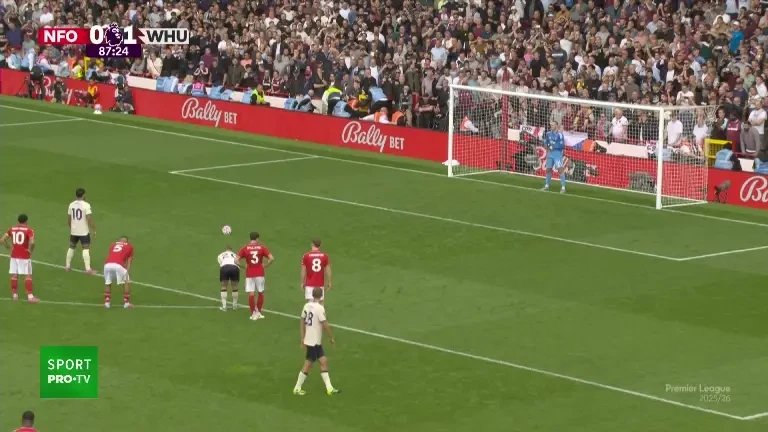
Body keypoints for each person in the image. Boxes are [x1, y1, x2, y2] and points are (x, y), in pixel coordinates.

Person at [293, 287, 339, 396]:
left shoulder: (306, 306)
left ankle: (329, 388)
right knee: (308, 365)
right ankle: (297, 388)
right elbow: (324, 324)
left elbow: (302, 320)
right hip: (313, 342)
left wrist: (302, 337)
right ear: (321, 296)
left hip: (312, 341)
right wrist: (331, 337)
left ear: (312, 295)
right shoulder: (319, 308)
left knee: (324, 361)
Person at [1, 214, 39, 302]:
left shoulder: (12, 229)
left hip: (14, 255)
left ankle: (15, 295)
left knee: (14, 275)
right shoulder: (29, 230)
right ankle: (30, 297)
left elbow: (2, 240)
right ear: (26, 221)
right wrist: (30, 251)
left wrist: (8, 247)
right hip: (24, 256)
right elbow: (32, 243)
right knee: (28, 275)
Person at [237, 232, 274, 320]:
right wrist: (265, 265)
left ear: (250, 238)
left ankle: (253, 313)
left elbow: (236, 260)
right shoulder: (262, 247)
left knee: (251, 293)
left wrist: (243, 266)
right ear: (257, 238)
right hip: (260, 273)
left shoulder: (245, 248)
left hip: (249, 273)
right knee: (261, 292)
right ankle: (259, 312)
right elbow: (272, 258)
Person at [66, 188, 96, 274]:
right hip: (84, 231)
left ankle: (67, 266)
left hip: (74, 231)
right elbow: (89, 218)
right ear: (84, 195)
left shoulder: (71, 204)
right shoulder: (86, 205)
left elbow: (69, 219)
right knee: (85, 248)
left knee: (71, 247)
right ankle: (88, 269)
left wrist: (71, 228)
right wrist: (94, 229)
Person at [103, 236, 134, 309]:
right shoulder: (129, 246)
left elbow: (111, 255)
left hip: (107, 265)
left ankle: (107, 303)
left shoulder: (113, 245)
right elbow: (129, 260)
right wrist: (127, 271)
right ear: (126, 241)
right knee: (126, 282)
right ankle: (126, 303)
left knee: (108, 282)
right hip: (118, 265)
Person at [542, 120, 567, 194]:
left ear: (556, 126)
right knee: (548, 169)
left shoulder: (560, 135)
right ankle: (547, 185)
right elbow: (546, 142)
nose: (551, 126)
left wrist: (554, 146)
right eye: (551, 125)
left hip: (557, 154)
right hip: (550, 154)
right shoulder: (548, 134)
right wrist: (547, 146)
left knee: (560, 169)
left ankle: (563, 187)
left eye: (552, 125)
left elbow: (562, 145)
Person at [217, 246, 240, 311]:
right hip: (235, 268)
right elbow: (238, 262)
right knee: (235, 286)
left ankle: (224, 307)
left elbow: (221, 264)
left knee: (224, 286)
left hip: (225, 267)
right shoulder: (235, 255)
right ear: (231, 250)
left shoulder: (221, 255)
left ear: (225, 250)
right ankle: (234, 305)